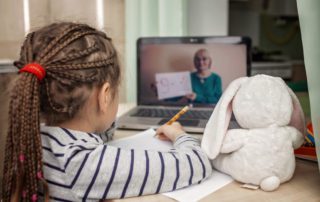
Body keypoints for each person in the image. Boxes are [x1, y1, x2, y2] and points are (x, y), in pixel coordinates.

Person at [2, 22, 212, 201]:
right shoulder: (85, 165)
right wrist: (179, 134)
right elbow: (197, 163)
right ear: (105, 95)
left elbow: (98, 135)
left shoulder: (34, 137)